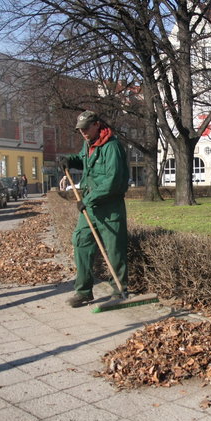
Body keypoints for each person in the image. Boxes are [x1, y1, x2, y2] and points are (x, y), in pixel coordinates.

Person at [60, 110, 130, 307]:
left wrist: (88, 198)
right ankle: (83, 291)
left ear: (97, 124)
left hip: (109, 207)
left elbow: (113, 181)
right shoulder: (88, 144)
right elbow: (85, 160)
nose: (83, 133)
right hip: (90, 206)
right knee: (81, 241)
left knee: (115, 250)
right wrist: (70, 160)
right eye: (80, 130)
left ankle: (119, 290)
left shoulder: (112, 147)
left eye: (86, 128)